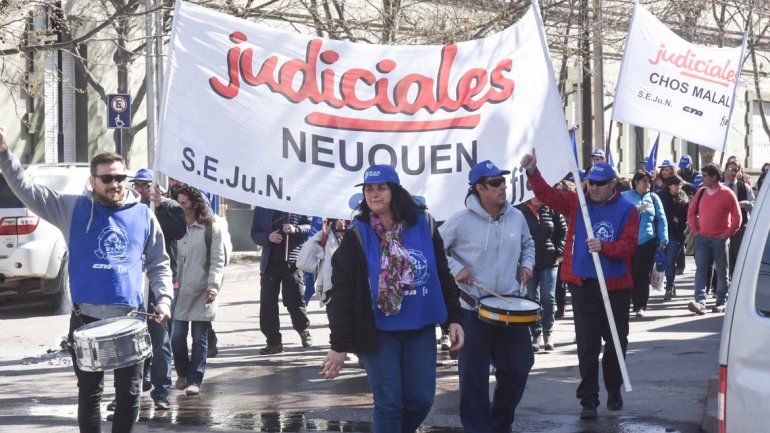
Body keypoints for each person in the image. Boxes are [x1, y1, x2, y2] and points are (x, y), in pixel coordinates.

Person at [0, 127, 172, 433]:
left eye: (120, 178)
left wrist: (163, 299)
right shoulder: (72, 209)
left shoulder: (143, 215)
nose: (115, 184)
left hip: (130, 320)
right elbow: (27, 189)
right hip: (86, 319)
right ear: (92, 181)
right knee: (90, 393)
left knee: (129, 393)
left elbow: (159, 262)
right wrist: (4, 154)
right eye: (107, 178)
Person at [320, 164, 464, 433]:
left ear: (395, 191)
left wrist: (454, 319)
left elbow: (442, 273)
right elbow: (343, 293)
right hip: (378, 332)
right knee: (389, 403)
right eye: (369, 189)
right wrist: (339, 345)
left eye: (381, 188)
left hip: (419, 329)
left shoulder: (424, 224)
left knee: (421, 400)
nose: (374, 194)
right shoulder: (357, 235)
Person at [521, 150, 638, 420]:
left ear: (612, 185)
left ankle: (614, 388)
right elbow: (549, 195)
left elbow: (629, 246)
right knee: (587, 343)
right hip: (583, 284)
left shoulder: (628, 211)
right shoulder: (578, 203)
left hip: (616, 286)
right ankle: (589, 400)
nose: (593, 188)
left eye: (599, 184)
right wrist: (532, 173)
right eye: (590, 183)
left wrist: (605, 247)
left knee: (616, 342)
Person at [438, 160, 535, 432]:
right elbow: (436, 250)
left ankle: (501, 423)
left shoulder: (516, 216)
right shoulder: (460, 221)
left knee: (519, 367)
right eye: (495, 183)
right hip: (472, 309)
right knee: (473, 378)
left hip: (510, 307)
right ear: (479, 188)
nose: (502, 186)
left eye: (502, 181)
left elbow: (528, 244)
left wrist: (527, 265)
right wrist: (458, 268)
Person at [129, 169, 186, 409]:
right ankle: (129, 390)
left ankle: (161, 391)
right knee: (129, 340)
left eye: (146, 185)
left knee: (160, 338)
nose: (142, 190)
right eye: (138, 185)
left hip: (158, 282)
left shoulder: (171, 207)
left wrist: (160, 206)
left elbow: (178, 231)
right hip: (133, 282)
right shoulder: (129, 208)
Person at [171, 186, 226, 395]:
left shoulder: (211, 229)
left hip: (202, 290)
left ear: (194, 204)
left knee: (199, 338)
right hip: (178, 292)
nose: (180, 207)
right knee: (177, 336)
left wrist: (213, 286)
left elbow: (217, 261)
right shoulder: (174, 226)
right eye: (178, 203)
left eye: (184, 203)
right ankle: (183, 373)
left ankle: (195, 379)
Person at [251, 207, 312, 354]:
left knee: (295, 300)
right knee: (267, 304)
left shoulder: (297, 202)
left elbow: (310, 227)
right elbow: (254, 234)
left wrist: (296, 229)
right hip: (270, 263)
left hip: (292, 263)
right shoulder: (261, 207)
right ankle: (273, 342)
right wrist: (268, 237)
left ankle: (303, 330)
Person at [687, 163, 741, 315]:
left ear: (714, 177)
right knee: (702, 269)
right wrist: (694, 230)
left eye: (705, 176)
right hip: (702, 238)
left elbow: (738, 217)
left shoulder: (728, 193)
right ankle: (700, 301)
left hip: (720, 240)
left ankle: (720, 302)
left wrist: (725, 235)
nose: (702, 178)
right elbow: (691, 212)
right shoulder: (701, 192)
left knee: (722, 272)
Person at [516, 194, 566, 352]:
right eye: (534, 194)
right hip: (528, 264)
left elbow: (563, 232)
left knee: (548, 297)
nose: (538, 197)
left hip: (549, 262)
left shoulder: (552, 210)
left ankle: (548, 333)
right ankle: (535, 333)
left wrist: (558, 251)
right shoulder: (520, 212)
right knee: (531, 298)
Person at [621, 171, 668, 317]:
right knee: (628, 272)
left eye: (649, 181)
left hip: (647, 241)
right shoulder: (624, 196)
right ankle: (625, 302)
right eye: (644, 181)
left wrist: (663, 239)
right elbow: (619, 216)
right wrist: (636, 211)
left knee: (642, 274)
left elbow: (661, 219)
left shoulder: (653, 198)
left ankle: (640, 305)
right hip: (627, 241)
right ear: (635, 182)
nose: (647, 184)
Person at [297, 218, 349, 306]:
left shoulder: (355, 223)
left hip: (350, 280)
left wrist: (343, 230)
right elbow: (310, 255)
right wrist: (324, 235)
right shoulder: (323, 222)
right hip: (330, 281)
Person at [659, 176, 689, 301]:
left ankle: (669, 287)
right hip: (663, 232)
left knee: (670, 261)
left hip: (676, 234)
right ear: (669, 185)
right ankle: (672, 285)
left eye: (679, 185)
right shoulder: (661, 197)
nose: (678, 187)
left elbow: (687, 216)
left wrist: (680, 220)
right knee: (666, 261)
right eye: (675, 185)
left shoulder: (683, 198)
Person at [723, 160, 755, 279]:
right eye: (731, 169)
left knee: (739, 258)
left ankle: (736, 283)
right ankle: (720, 286)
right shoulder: (720, 187)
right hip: (724, 227)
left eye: (736, 170)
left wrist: (746, 204)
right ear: (725, 169)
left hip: (741, 228)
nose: (733, 173)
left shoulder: (745, 187)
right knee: (724, 259)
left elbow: (753, 205)